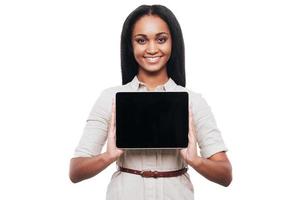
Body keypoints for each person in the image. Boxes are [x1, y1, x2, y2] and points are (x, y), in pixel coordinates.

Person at [69, 4, 232, 200]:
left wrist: (194, 160)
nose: (152, 49)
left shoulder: (193, 101)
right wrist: (109, 156)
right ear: (131, 45)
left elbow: (225, 175)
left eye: (161, 39)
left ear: (173, 43)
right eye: (141, 40)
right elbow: (75, 172)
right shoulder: (110, 99)